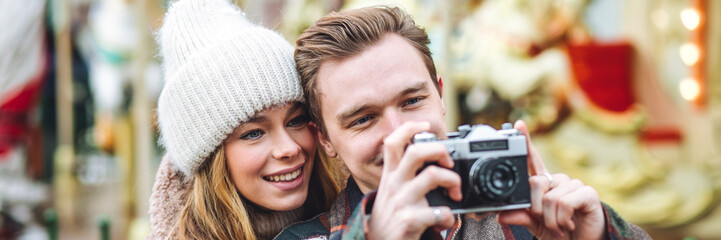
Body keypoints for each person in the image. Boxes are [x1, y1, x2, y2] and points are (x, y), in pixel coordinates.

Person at [276, 6, 650, 240]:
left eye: (412, 100)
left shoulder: (531, 222)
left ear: (440, 97)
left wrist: (600, 235)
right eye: (363, 119)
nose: (400, 133)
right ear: (324, 139)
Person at [146, 0, 339, 239]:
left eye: (296, 120)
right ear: (209, 159)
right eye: (254, 133)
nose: (289, 148)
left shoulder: (363, 206)